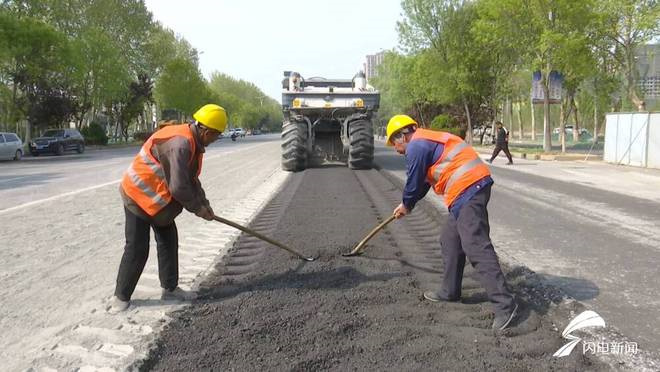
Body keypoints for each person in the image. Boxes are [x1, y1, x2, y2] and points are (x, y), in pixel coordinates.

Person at [386, 114, 518, 330]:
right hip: (467, 191)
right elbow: (423, 184)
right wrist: (408, 205)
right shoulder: (426, 141)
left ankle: (505, 305)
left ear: (403, 135)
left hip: (469, 188)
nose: (395, 149)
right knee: (450, 239)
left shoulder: (417, 146)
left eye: (395, 142)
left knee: (475, 245)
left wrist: (406, 204)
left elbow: (413, 181)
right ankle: (450, 291)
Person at [109, 104, 227, 313]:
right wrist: (198, 209)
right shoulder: (180, 144)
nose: (215, 140)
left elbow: (191, 179)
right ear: (207, 131)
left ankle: (170, 289)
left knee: (168, 241)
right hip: (138, 196)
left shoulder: (193, 142)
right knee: (137, 248)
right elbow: (179, 187)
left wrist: (205, 204)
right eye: (216, 136)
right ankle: (121, 297)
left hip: (158, 202)